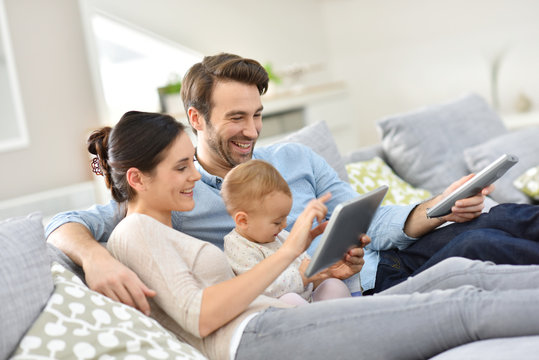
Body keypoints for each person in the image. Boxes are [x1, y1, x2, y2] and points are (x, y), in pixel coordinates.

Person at [46, 53, 539, 315]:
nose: (253, 131)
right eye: (236, 117)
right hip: (361, 288)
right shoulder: (171, 192)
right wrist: (94, 256)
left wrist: (439, 207)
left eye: (258, 115)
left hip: (389, 254)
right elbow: (63, 222)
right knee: (482, 243)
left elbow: (373, 219)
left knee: (506, 217)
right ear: (195, 118)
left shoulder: (295, 157)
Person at [91, 110, 539, 360]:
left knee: (463, 272)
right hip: (256, 337)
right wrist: (291, 249)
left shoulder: (164, 228)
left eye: (191, 161)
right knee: (461, 306)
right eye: (182, 167)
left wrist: (318, 271)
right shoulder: (132, 233)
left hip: (282, 315)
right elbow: (202, 316)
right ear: (137, 178)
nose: (195, 176)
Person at [221, 159, 353, 305]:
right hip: (276, 310)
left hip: (309, 301)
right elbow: (262, 288)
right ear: (243, 221)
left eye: (285, 218)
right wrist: (302, 276)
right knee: (289, 300)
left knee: (334, 285)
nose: (284, 225)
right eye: (277, 222)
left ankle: (341, 320)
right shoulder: (237, 246)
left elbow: (306, 272)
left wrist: (321, 271)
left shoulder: (280, 235)